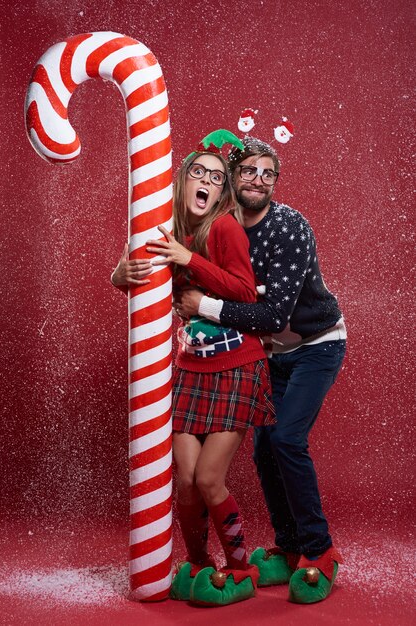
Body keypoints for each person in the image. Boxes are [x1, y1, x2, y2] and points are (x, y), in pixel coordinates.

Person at [176, 136, 347, 604]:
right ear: (233, 176)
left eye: (268, 173)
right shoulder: (219, 225)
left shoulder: (290, 226)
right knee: (266, 450)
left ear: (275, 183)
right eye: (249, 170)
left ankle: (319, 550)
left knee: (289, 439)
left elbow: (271, 315)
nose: (258, 180)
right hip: (266, 355)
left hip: (315, 345)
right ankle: (288, 546)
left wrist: (203, 304)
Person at [111, 130, 275, 606]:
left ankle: (240, 567)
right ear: (183, 181)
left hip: (237, 368)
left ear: (222, 191)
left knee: (208, 479)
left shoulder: (223, 228)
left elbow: (246, 292)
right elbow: (139, 285)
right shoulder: (163, 229)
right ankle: (201, 565)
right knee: (182, 479)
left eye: (216, 177)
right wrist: (120, 277)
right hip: (190, 369)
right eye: (198, 173)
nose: (206, 181)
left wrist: (189, 260)